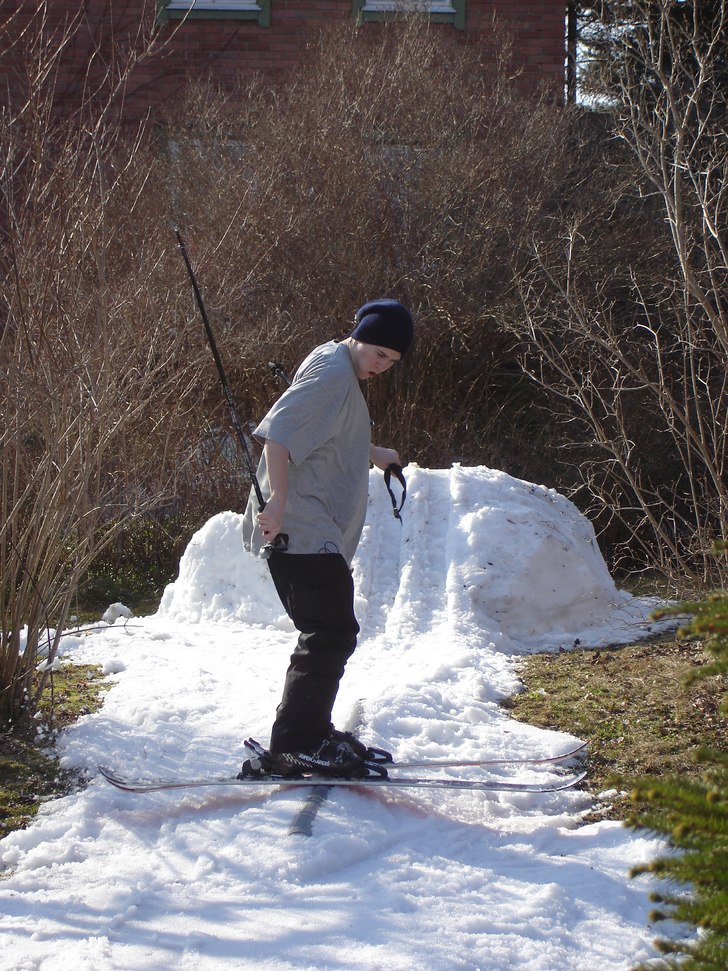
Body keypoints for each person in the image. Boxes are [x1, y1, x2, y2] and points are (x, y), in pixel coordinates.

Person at [241, 298, 414, 778]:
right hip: (300, 523)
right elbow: (281, 436)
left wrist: (374, 452)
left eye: (391, 362)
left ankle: (310, 731)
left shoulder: (335, 364)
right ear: (359, 334)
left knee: (330, 631)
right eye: (379, 353)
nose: (382, 366)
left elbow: (325, 435)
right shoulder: (335, 374)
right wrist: (275, 501)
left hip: (310, 526)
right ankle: (296, 743)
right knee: (329, 631)